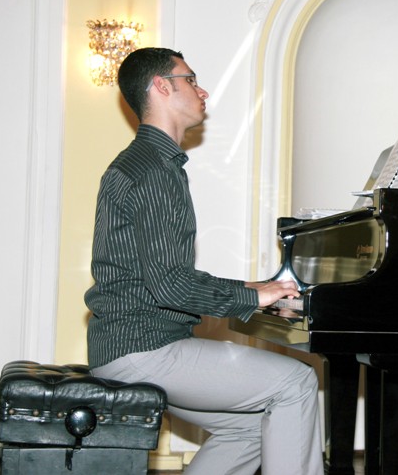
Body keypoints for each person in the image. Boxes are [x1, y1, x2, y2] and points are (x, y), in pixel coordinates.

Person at [84, 47, 324, 475]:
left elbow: (163, 275)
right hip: (144, 347)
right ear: (161, 87)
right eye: (191, 79)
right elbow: (171, 286)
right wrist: (252, 297)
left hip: (126, 345)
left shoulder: (146, 164)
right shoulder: (154, 169)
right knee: (297, 382)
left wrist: (250, 289)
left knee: (252, 427)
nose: (203, 91)